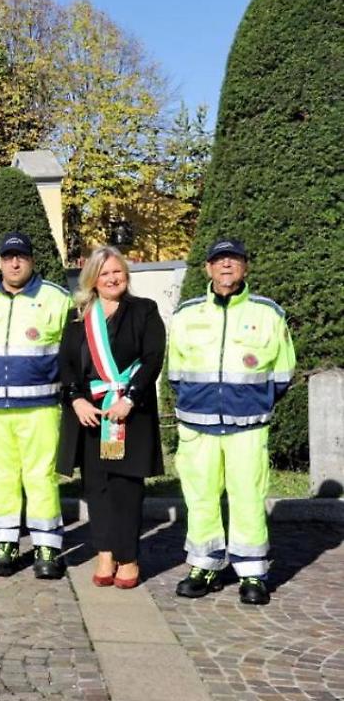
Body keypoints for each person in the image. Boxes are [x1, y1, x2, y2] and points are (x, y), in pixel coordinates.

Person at [168, 238, 296, 605]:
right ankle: (204, 565)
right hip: (197, 424)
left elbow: (283, 371)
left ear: (245, 267)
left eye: (234, 260)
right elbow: (175, 372)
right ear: (207, 268)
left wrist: (252, 402)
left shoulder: (268, 313)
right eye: (219, 261)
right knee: (201, 497)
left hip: (247, 426)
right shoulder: (187, 314)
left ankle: (252, 573)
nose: (226, 266)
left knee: (248, 498)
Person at [0, 232, 71, 579]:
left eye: (21, 256)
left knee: (40, 476)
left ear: (31, 260)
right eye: (8, 257)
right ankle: (5, 544)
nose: (15, 263)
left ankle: (47, 546)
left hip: (40, 407)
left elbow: (71, 353)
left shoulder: (57, 298)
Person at [57, 246, 166, 589]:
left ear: (126, 274)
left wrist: (130, 399)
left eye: (117, 272)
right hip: (92, 414)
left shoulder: (144, 310)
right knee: (97, 487)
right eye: (104, 274)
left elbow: (152, 359)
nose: (112, 278)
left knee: (125, 487)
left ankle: (129, 556)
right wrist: (76, 401)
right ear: (92, 279)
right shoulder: (79, 316)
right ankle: (104, 551)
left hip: (129, 414)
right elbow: (67, 365)